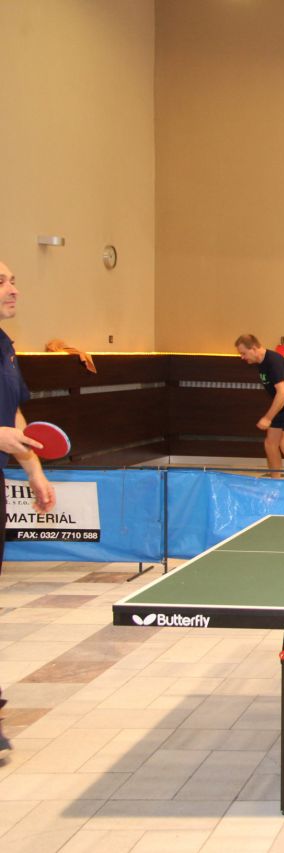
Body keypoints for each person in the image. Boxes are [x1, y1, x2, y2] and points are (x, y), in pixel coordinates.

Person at [0, 260, 58, 762]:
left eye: (12, 279)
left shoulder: (5, 346)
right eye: (2, 281)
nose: (13, 288)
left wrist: (34, 470)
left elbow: (14, 413)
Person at [235, 333, 284, 480]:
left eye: (243, 353)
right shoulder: (261, 364)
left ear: (253, 348)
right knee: (270, 443)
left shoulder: (273, 361)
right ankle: (275, 481)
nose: (242, 357)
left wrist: (268, 418)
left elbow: (283, 392)